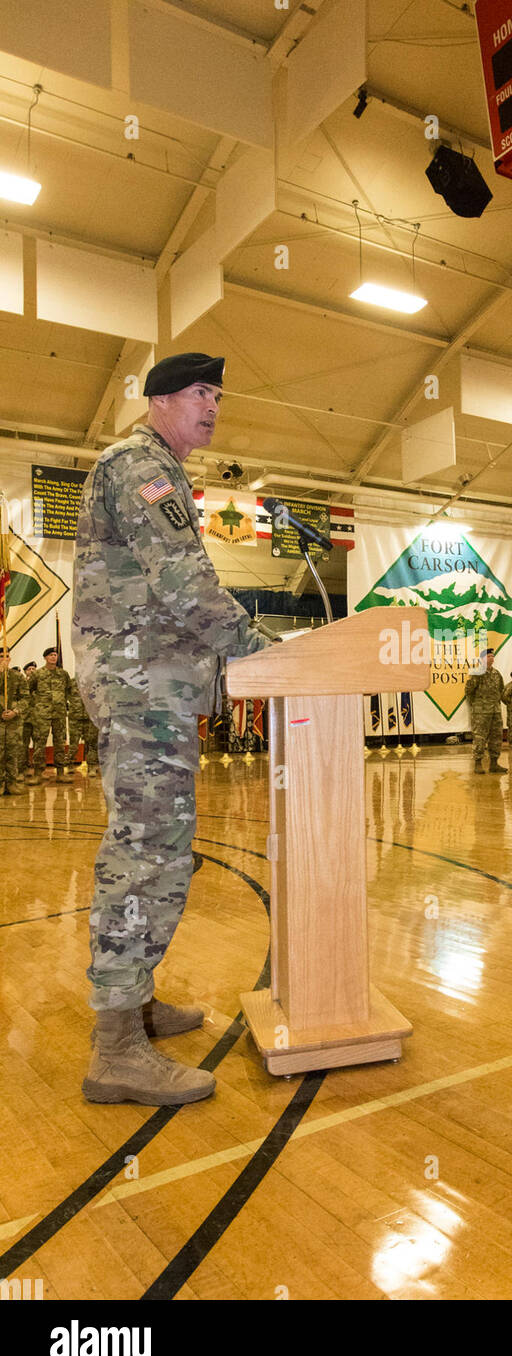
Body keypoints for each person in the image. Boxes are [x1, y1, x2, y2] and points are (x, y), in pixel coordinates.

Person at [72, 351, 272, 1107]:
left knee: (157, 848)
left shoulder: (153, 466)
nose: (212, 405)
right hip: (141, 686)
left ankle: (136, 998)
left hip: (150, 686)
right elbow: (185, 580)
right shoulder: (142, 467)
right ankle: (117, 1046)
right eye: (198, 392)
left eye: (218, 393)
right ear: (158, 401)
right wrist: (256, 649)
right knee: (146, 852)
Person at [29, 646, 73, 781]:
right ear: (45, 657)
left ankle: (60, 772)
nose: (54, 657)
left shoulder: (63, 674)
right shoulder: (38, 674)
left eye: (55, 655)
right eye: (51, 655)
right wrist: (36, 706)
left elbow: (68, 690)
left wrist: (63, 703)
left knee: (60, 742)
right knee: (39, 742)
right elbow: (29, 690)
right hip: (42, 713)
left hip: (59, 713)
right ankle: (38, 773)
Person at [466, 646, 506, 774]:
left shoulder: (496, 674)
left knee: (496, 737)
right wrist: (477, 705)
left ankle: (494, 764)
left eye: (493, 656)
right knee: (480, 737)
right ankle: (478, 763)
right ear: (483, 659)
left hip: (495, 711)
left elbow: (501, 689)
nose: (492, 658)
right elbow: (469, 691)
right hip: (481, 712)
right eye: (489, 656)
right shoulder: (477, 672)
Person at [0, 647, 29, 795]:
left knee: (12, 753)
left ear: (10, 659)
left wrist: (15, 711)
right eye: (1, 656)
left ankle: (11, 783)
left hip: (13, 722)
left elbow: (25, 698)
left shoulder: (17, 677)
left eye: (6, 656)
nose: (4, 659)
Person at [67, 676, 100, 776]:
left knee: (92, 743)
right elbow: (63, 695)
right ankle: (70, 764)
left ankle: (92, 766)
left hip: (91, 717)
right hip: (75, 717)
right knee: (73, 743)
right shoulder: (71, 682)